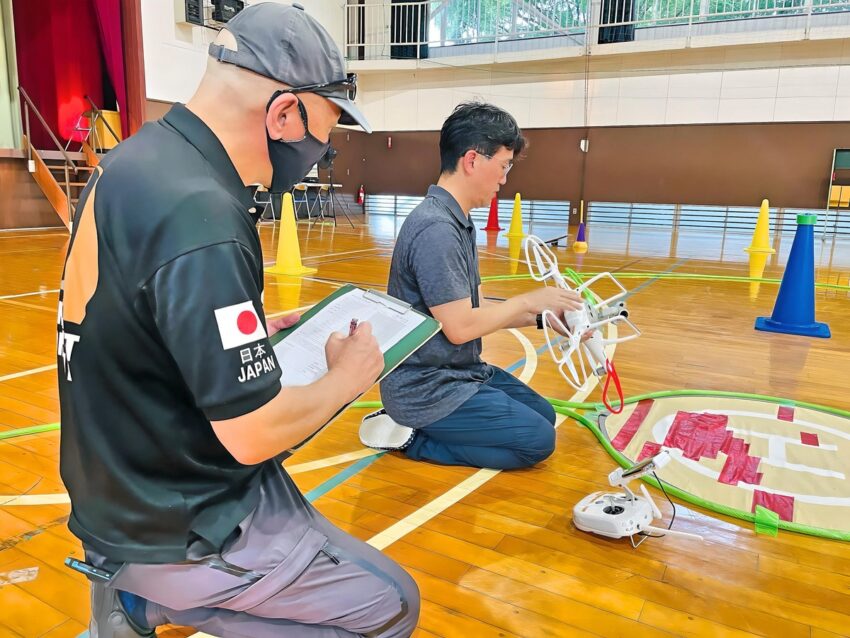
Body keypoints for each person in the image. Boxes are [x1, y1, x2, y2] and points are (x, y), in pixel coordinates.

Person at [57, 4, 419, 637]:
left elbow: (126, 325)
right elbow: (252, 436)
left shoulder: (133, 162)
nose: (319, 153)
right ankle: (157, 597)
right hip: (176, 518)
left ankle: (135, 601)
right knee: (390, 606)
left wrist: (234, 332)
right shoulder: (203, 214)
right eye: (322, 134)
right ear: (283, 114)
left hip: (111, 495)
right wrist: (350, 377)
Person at [359, 102, 584, 470]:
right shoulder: (436, 228)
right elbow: (461, 328)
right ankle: (411, 439)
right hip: (426, 388)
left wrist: (545, 318)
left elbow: (478, 313)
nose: (504, 179)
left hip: (460, 371)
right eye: (503, 166)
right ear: (472, 160)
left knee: (543, 415)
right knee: (538, 442)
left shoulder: (457, 220)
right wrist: (530, 298)